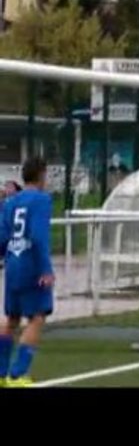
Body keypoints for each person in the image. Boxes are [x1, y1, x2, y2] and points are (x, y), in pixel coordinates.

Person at [0, 158, 54, 387]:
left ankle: (1, 373)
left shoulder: (11, 202)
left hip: (13, 264)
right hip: (31, 265)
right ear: (41, 175)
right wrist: (46, 269)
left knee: (11, 319)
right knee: (37, 317)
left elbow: (2, 235)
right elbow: (38, 235)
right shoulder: (42, 200)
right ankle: (17, 374)